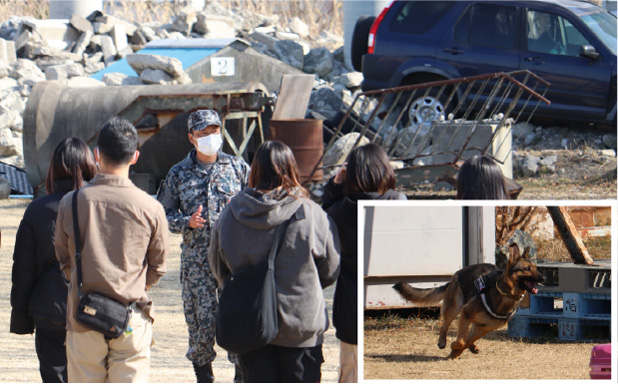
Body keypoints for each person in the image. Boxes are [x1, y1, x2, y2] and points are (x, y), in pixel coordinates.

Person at [208, 140, 340, 383]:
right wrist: (306, 283)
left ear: (254, 170)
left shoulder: (230, 214)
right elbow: (331, 268)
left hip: (250, 325)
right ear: (291, 169)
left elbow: (218, 267)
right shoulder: (311, 214)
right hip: (301, 324)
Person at [54, 117, 168, 382]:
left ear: (96, 155)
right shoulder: (151, 208)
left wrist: (85, 282)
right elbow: (158, 266)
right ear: (135, 156)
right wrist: (133, 285)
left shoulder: (71, 202)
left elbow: (63, 258)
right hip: (131, 316)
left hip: (83, 316)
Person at [156, 109, 249, 382]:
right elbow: (162, 215)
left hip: (234, 264)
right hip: (197, 266)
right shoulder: (178, 174)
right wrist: (187, 222)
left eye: (214, 131)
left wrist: (241, 213)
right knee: (200, 329)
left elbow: (258, 206)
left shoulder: (238, 168)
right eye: (203, 133)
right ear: (191, 138)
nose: (210, 137)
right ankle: (204, 378)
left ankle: (240, 378)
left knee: (238, 327)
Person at [10, 137, 97, 382]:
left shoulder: (37, 210)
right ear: (89, 164)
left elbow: (24, 271)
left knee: (55, 377)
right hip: (95, 310)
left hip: (49, 310)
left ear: (53, 169)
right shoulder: (102, 204)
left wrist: (21, 319)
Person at [321, 143, 406, 383]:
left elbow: (322, 216)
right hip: (391, 305)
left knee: (350, 373)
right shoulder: (398, 202)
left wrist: (334, 185)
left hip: (350, 310)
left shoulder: (338, 211)